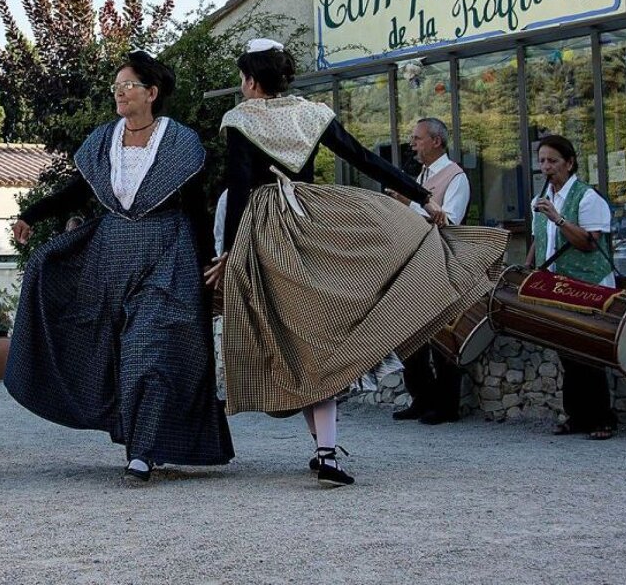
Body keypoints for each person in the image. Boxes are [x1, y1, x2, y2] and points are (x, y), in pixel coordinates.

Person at [205, 39, 506, 487]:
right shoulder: (312, 113)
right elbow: (364, 158)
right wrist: (422, 196)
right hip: (312, 220)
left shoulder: (242, 118)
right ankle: (325, 451)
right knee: (319, 336)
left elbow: (239, 186)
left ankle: (325, 450)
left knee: (295, 343)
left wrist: (228, 253)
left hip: (267, 231)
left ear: (250, 80)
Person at [8, 51, 233, 485]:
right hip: (109, 259)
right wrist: (32, 215)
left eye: (127, 86)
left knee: (147, 348)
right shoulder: (103, 142)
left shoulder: (181, 144)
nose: (119, 93)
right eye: (116, 87)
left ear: (151, 93)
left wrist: (210, 264)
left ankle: (143, 453)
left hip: (167, 257)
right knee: (111, 351)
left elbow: (198, 211)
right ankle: (138, 442)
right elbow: (77, 190)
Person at [525, 134, 618, 440]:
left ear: (569, 162)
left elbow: (590, 243)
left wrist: (559, 217)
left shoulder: (588, 198)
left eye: (552, 161)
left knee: (589, 350)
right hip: (557, 284)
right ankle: (577, 415)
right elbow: (541, 238)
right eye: (542, 161)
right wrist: (528, 269)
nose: (546, 167)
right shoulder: (539, 199)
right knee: (567, 350)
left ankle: (602, 418)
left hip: (588, 284)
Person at [388, 117, 472, 425]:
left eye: (418, 138)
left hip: (441, 264)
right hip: (415, 263)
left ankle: (446, 404)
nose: (412, 144)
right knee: (411, 335)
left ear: (436, 141)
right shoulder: (421, 174)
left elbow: (449, 220)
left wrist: (410, 203)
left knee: (442, 335)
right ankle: (421, 398)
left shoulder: (456, 177)